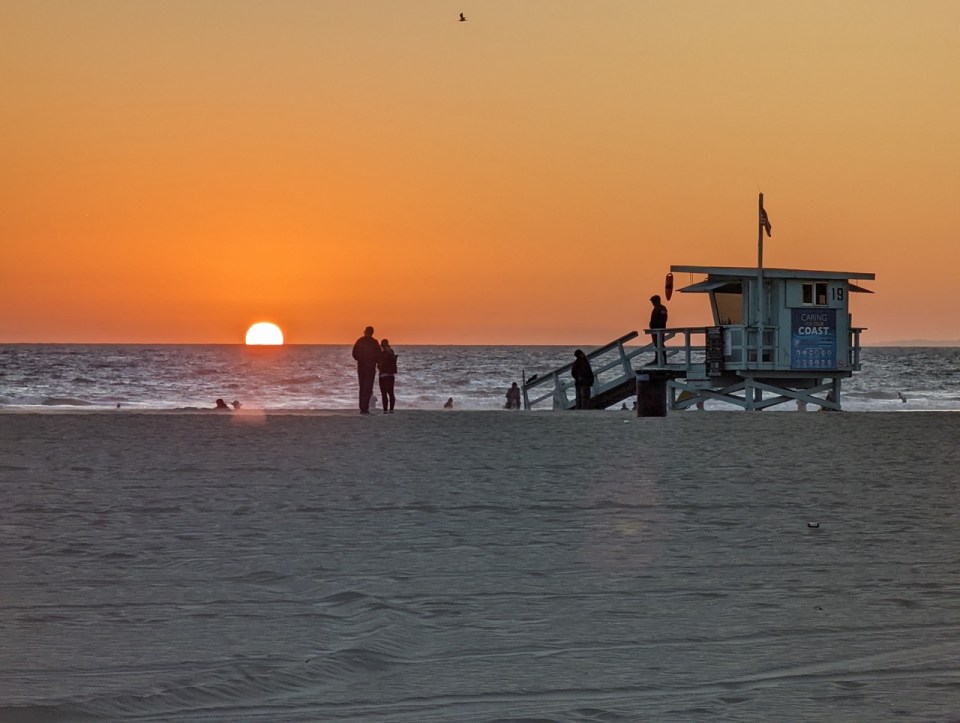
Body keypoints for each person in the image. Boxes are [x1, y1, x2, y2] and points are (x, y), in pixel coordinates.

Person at [352, 326, 380, 415]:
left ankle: (362, 408)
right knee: (368, 388)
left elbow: (354, 353)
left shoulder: (360, 341)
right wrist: (375, 361)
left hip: (361, 366)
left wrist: (360, 359)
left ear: (366, 332)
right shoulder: (374, 342)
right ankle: (365, 408)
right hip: (370, 367)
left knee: (362, 387)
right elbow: (378, 354)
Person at [378, 339, 398, 414]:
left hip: (383, 375)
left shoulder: (382, 353)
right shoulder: (391, 352)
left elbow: (379, 365)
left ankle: (385, 410)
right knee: (391, 393)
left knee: (384, 393)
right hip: (391, 375)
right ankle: (391, 409)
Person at [649, 294, 668, 363]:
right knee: (656, 344)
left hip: (659, 330)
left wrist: (658, 326)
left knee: (660, 344)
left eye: (653, 301)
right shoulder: (656, 308)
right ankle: (657, 359)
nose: (652, 303)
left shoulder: (662, 308)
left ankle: (663, 360)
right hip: (654, 330)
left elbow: (663, 319)